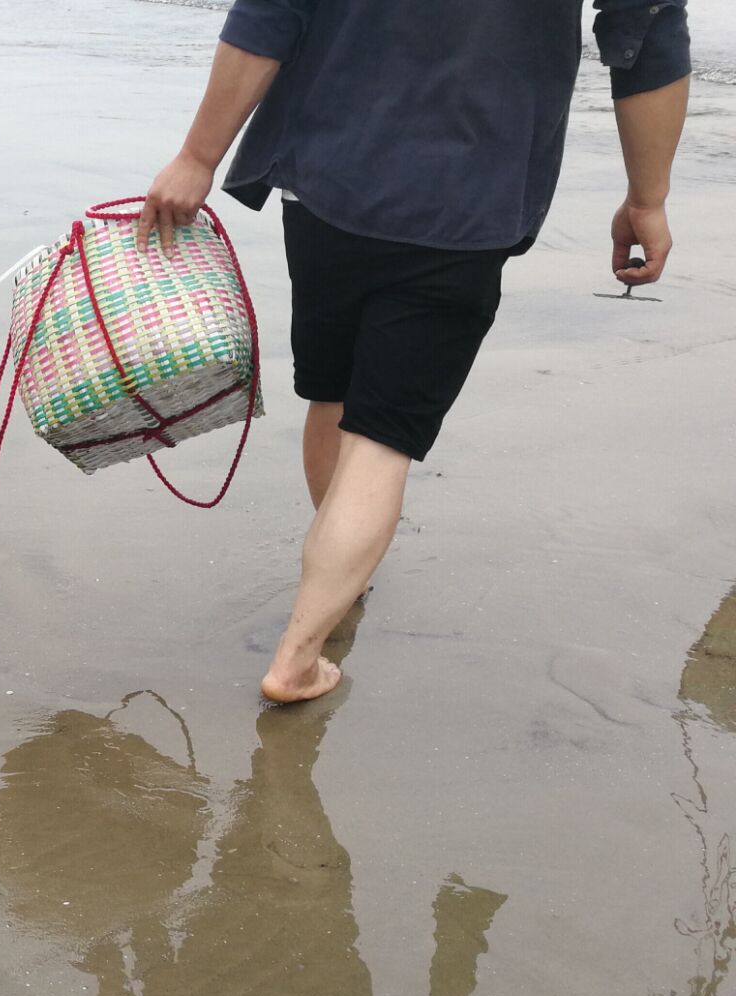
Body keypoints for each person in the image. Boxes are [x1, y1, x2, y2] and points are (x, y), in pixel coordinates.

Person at [140, 0, 693, 703]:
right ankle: (298, 657)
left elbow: (271, 13)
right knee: (382, 437)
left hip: (327, 178)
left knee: (332, 394)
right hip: (468, 196)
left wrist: (197, 156)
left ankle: (341, 577)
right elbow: (646, 39)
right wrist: (648, 198)